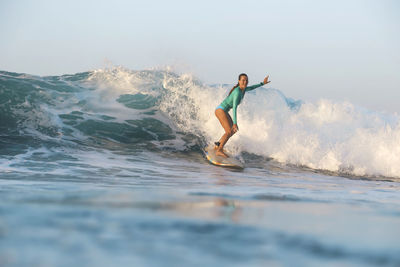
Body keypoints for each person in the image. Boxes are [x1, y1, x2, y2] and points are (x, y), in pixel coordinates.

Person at [214, 73, 271, 157]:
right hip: (220, 110)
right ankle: (219, 150)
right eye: (243, 80)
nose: (245, 82)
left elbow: (251, 87)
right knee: (229, 131)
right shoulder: (237, 92)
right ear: (239, 81)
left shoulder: (243, 90)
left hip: (224, 111)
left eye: (246, 80)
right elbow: (234, 108)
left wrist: (262, 83)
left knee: (232, 131)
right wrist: (235, 123)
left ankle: (218, 145)